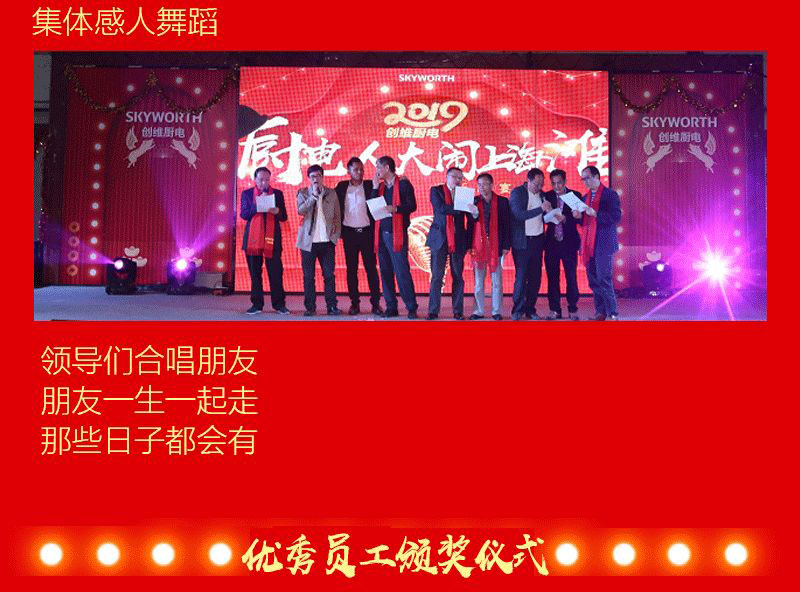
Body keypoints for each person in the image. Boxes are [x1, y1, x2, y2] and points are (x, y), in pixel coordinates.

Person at [370, 156, 419, 319]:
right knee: (385, 271)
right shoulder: (380, 186)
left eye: (378, 167)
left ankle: (411, 306)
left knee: (401, 270)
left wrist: (395, 208)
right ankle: (391, 306)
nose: (377, 170)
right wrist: (374, 188)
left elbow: (412, 206)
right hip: (381, 232)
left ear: (386, 167)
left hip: (397, 233)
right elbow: (372, 206)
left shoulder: (403, 184)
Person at [335, 157, 383, 316]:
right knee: (351, 270)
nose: (360, 172)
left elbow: (386, 186)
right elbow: (333, 203)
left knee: (371, 269)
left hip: (367, 233)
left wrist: (402, 180)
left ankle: (376, 304)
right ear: (348, 171)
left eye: (361, 169)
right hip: (349, 234)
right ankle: (354, 303)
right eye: (356, 169)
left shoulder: (369, 185)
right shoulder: (342, 187)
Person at [240, 167, 290, 315]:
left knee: (276, 272)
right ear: (255, 179)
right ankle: (257, 304)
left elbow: (284, 217)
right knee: (255, 273)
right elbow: (244, 214)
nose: (264, 183)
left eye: (267, 180)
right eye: (261, 180)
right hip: (253, 240)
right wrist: (257, 205)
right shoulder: (247, 194)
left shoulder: (277, 193)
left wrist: (277, 211)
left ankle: (279, 304)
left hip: (272, 238)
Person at [425, 167, 470, 320]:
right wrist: (461, 207)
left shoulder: (464, 194)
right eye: (455, 177)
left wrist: (472, 210)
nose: (458, 180)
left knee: (458, 276)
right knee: (437, 276)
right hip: (439, 239)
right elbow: (441, 208)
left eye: (460, 178)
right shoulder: (436, 190)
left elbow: (468, 216)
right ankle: (433, 310)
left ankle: (458, 311)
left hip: (458, 239)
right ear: (447, 176)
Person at [577, 165, 622, 320]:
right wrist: (578, 216)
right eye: (583, 179)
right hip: (589, 244)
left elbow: (616, 217)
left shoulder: (610, 194)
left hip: (604, 243)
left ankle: (612, 312)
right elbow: (584, 222)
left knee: (604, 278)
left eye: (587, 178)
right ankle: (600, 312)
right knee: (594, 280)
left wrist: (596, 214)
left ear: (597, 177)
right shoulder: (585, 197)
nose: (585, 181)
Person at [296, 164, 341, 316]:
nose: (316, 179)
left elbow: (337, 216)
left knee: (329, 275)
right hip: (308, 243)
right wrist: (313, 197)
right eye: (313, 177)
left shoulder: (331, 193)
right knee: (309, 276)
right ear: (309, 179)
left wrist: (334, 237)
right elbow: (301, 211)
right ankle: (310, 307)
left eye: (318, 176)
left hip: (327, 242)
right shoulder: (303, 193)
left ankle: (332, 306)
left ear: (323, 177)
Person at [467, 173, 511, 320]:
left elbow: (507, 225)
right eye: (479, 185)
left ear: (492, 185)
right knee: (479, 282)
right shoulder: (474, 201)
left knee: (497, 281)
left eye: (485, 184)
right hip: (478, 246)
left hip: (496, 245)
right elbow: (470, 225)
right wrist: (473, 215)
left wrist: (506, 245)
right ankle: (478, 311)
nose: (482, 187)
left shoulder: (502, 202)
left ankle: (496, 311)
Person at [509, 168, 551, 320]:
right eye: (536, 183)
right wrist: (541, 209)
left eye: (541, 184)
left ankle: (530, 309)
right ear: (528, 180)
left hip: (537, 241)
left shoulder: (543, 195)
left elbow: (544, 216)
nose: (539, 187)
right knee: (521, 278)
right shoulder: (518, 193)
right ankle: (517, 310)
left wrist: (551, 213)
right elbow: (518, 215)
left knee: (535, 278)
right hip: (522, 242)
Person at [543, 169, 583, 320]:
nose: (556, 186)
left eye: (559, 183)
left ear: (565, 181)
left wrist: (566, 218)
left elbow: (580, 219)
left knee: (571, 277)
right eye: (553, 183)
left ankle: (573, 309)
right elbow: (541, 218)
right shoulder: (546, 196)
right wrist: (547, 211)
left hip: (569, 243)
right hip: (552, 243)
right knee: (552, 278)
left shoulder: (574, 196)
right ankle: (555, 309)